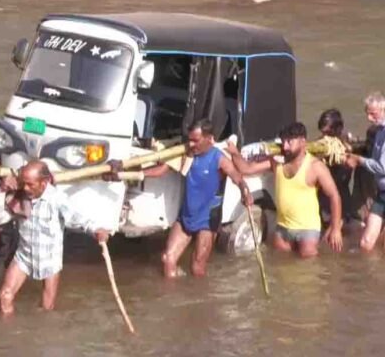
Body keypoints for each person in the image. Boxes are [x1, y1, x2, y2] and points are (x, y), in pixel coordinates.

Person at [0, 161, 110, 317]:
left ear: (44, 182)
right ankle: (6, 333)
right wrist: (2, 190)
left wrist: (96, 230)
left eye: (30, 184)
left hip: (49, 260)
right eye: (23, 183)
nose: (26, 188)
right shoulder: (20, 195)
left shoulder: (57, 198)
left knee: (46, 309)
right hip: (24, 256)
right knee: (5, 295)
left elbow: (76, 217)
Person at [139, 118, 252, 278]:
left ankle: (200, 297)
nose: (191, 144)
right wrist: (137, 174)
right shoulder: (186, 154)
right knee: (167, 259)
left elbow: (237, 177)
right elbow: (161, 170)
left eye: (195, 140)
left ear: (209, 139)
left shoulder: (218, 158)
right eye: (189, 139)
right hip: (187, 216)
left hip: (207, 220)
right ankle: (173, 297)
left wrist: (245, 192)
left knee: (197, 267)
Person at [228, 122, 343, 257]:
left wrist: (335, 229)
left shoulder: (315, 167)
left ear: (302, 141)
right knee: (281, 268)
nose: (285, 146)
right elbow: (246, 169)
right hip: (282, 229)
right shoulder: (277, 162)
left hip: (307, 230)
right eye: (283, 142)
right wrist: (234, 153)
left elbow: (334, 196)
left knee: (309, 271)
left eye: (289, 141)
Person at [345, 91, 385, 252]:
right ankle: (368, 274)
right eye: (367, 114)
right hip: (384, 191)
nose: (369, 118)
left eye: (373, 114)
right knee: (366, 242)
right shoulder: (379, 130)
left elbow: (384, 168)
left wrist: (359, 160)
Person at [317, 109, 357, 228]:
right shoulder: (320, 146)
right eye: (323, 133)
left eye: (328, 133)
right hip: (323, 197)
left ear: (338, 129)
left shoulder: (347, 144)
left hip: (342, 194)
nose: (325, 136)